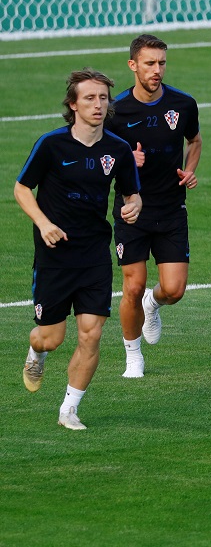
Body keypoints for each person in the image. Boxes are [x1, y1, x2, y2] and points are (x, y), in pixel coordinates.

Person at [16, 68, 142, 430]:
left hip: (94, 254)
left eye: (103, 98)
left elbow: (131, 195)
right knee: (51, 337)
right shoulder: (51, 144)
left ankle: (69, 409)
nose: (98, 104)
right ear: (73, 105)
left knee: (92, 332)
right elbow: (22, 189)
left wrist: (134, 207)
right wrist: (43, 224)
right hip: (55, 254)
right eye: (89, 98)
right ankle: (36, 351)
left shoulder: (117, 149)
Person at [104, 34, 201, 378]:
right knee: (132, 285)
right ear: (133, 65)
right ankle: (133, 355)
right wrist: (125, 159)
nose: (156, 69)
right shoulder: (115, 112)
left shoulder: (183, 105)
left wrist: (190, 170)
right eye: (149, 63)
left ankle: (153, 303)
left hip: (172, 209)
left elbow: (195, 140)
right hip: (133, 209)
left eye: (161, 63)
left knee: (173, 290)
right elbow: (99, 160)